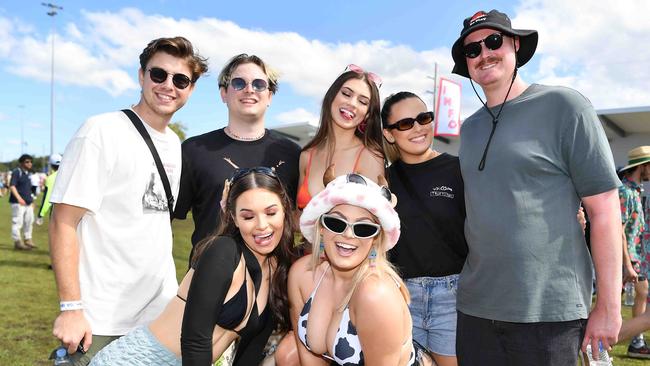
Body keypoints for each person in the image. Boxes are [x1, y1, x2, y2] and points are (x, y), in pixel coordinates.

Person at [450, 9, 622, 364]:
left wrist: (608, 306)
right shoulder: (469, 129)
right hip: (476, 310)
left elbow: (604, 209)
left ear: (514, 45)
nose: (484, 54)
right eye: (472, 50)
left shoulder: (564, 106)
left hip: (549, 313)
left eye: (493, 41)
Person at [49, 36, 208, 364]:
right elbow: (63, 221)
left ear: (190, 89)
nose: (168, 86)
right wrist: (71, 309)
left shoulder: (175, 145)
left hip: (158, 316)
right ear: (141, 75)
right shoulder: (101, 131)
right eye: (158, 74)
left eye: (180, 80)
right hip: (100, 318)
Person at [89, 168, 301, 365]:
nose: (262, 225)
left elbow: (251, 350)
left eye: (271, 213)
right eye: (248, 216)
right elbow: (194, 341)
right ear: (234, 218)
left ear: (285, 211)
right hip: (141, 360)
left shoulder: (278, 270)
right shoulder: (223, 251)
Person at [288, 172, 433, 365]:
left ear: (375, 239)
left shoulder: (375, 294)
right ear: (321, 228)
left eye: (364, 228)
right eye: (336, 223)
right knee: (286, 353)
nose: (348, 234)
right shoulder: (302, 274)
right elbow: (309, 359)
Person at [174, 53, 301, 264]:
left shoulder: (293, 153)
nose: (249, 89)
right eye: (239, 83)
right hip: (211, 281)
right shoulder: (194, 150)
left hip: (275, 283)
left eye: (259, 84)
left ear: (269, 96)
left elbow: (299, 220)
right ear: (224, 93)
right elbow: (166, 218)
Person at [382, 92, 466, 366]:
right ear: (390, 134)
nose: (417, 128)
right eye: (405, 123)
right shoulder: (383, 180)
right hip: (400, 298)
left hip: (453, 297)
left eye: (423, 118)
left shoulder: (458, 169)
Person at [296, 64, 384, 211]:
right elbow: (297, 217)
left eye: (362, 102)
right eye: (346, 94)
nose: (351, 103)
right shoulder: (306, 155)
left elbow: (376, 221)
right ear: (331, 96)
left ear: (367, 114)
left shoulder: (370, 156)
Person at [618, 146, 650, 358]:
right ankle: (592, 345)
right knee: (608, 306)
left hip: (637, 259)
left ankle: (636, 342)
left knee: (642, 295)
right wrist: (627, 264)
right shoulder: (624, 192)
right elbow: (616, 230)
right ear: (643, 167)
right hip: (622, 260)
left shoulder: (637, 191)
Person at [9, 153, 35, 250]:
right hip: (18, 202)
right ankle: (17, 242)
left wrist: (31, 201)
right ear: (21, 163)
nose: (29, 164)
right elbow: (12, 186)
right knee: (17, 222)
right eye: (27, 162)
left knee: (29, 221)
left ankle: (28, 239)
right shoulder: (17, 172)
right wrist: (19, 199)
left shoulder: (28, 174)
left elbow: (28, 189)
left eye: (31, 162)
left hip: (28, 203)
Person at [36, 153, 62, 226]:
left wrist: (40, 214)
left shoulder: (50, 179)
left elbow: (47, 199)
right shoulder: (71, 175)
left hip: (57, 211)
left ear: (51, 165)